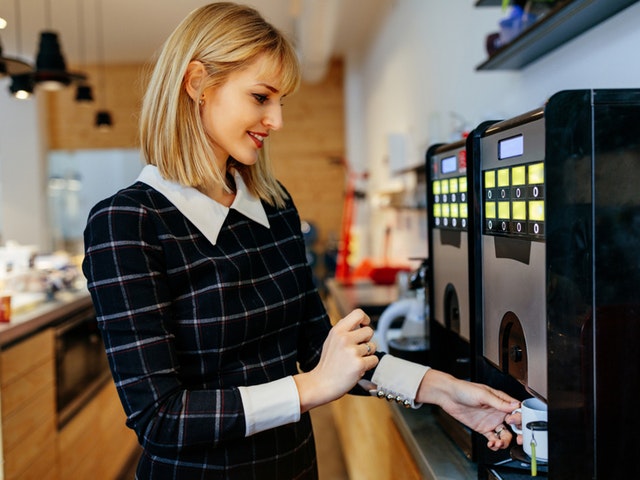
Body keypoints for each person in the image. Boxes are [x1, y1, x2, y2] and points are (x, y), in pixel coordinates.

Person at [82, 3, 520, 479]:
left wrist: (439, 387)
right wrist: (309, 389)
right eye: (260, 97)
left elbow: (319, 349)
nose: (277, 120)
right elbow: (161, 418)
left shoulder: (273, 205)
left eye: (280, 102)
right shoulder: (127, 222)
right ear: (197, 84)